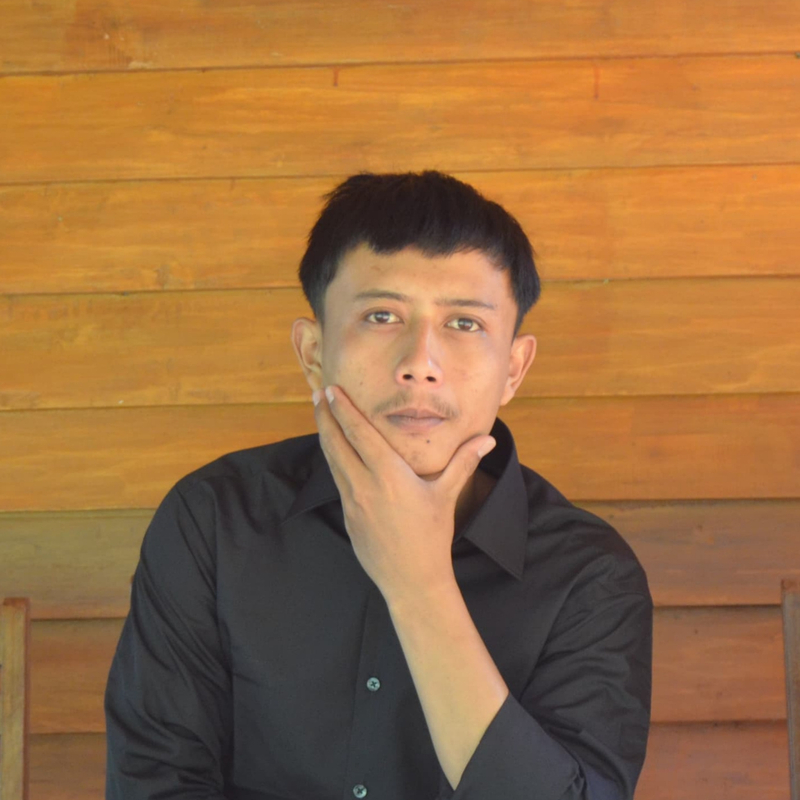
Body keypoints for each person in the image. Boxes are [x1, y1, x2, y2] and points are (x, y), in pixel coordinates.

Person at [105, 170, 652, 799]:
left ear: (514, 368)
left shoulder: (589, 575)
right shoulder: (215, 521)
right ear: (313, 352)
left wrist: (419, 584)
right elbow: (157, 782)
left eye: (464, 323)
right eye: (382, 315)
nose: (420, 363)